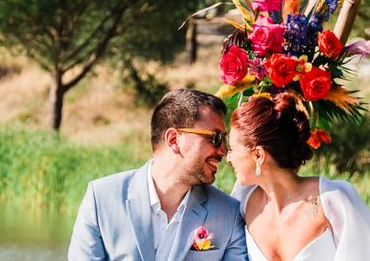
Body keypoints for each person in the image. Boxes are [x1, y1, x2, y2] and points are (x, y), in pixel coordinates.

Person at [69, 88, 248, 261]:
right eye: (215, 138)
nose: (224, 151)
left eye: (224, 140)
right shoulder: (101, 199)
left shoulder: (229, 214)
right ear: (173, 140)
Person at [227, 92, 370, 261]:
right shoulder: (244, 203)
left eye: (232, 150)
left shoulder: (331, 201)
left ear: (258, 155)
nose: (228, 157)